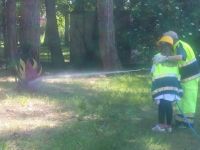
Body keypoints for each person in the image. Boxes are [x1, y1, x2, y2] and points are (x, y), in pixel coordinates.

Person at [154, 31, 200, 127]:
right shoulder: (175, 47)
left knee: (188, 100)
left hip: (191, 77)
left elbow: (181, 57)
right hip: (185, 77)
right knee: (181, 99)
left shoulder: (180, 45)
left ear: (172, 39)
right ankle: (180, 120)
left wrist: (165, 58)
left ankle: (188, 122)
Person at [151, 35, 183, 132]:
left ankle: (161, 126)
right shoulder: (174, 58)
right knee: (168, 105)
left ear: (161, 45)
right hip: (172, 85)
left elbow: (153, 71)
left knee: (162, 105)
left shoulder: (157, 57)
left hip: (161, 85)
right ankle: (168, 126)